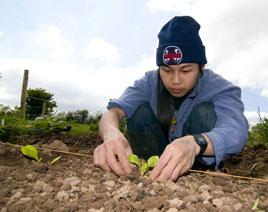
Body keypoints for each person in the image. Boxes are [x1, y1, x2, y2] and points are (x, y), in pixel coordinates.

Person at [93, 16, 249, 182]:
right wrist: (111, 134)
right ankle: (147, 172)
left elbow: (236, 131)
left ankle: (200, 174)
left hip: (196, 159)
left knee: (206, 112)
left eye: (185, 71)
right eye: (167, 71)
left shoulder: (220, 88)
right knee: (140, 112)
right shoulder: (149, 82)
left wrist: (194, 143)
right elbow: (114, 112)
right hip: (155, 159)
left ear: (201, 67)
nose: (175, 80)